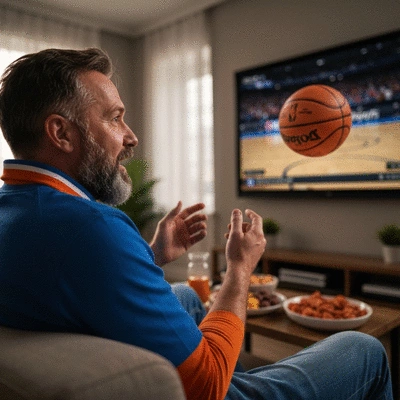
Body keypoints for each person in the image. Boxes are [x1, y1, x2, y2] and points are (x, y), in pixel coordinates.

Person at [0, 48, 393, 400]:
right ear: (61, 133)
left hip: (83, 357)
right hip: (203, 389)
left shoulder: (14, 212)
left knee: (187, 295)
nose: (131, 137)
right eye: (115, 118)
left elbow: (66, 286)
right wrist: (240, 269)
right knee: (365, 350)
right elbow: (205, 387)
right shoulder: (90, 226)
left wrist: (150, 256)